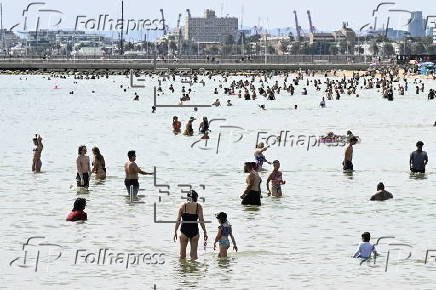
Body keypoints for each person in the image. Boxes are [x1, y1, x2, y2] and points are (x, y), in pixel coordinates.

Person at [174, 190, 208, 260]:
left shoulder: (183, 206)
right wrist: (205, 231)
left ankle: (183, 270)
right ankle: (194, 270)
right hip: (194, 232)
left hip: (184, 231)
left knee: (182, 255)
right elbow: (201, 220)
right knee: (194, 255)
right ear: (196, 197)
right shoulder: (198, 206)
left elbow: (178, 220)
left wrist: (175, 231)